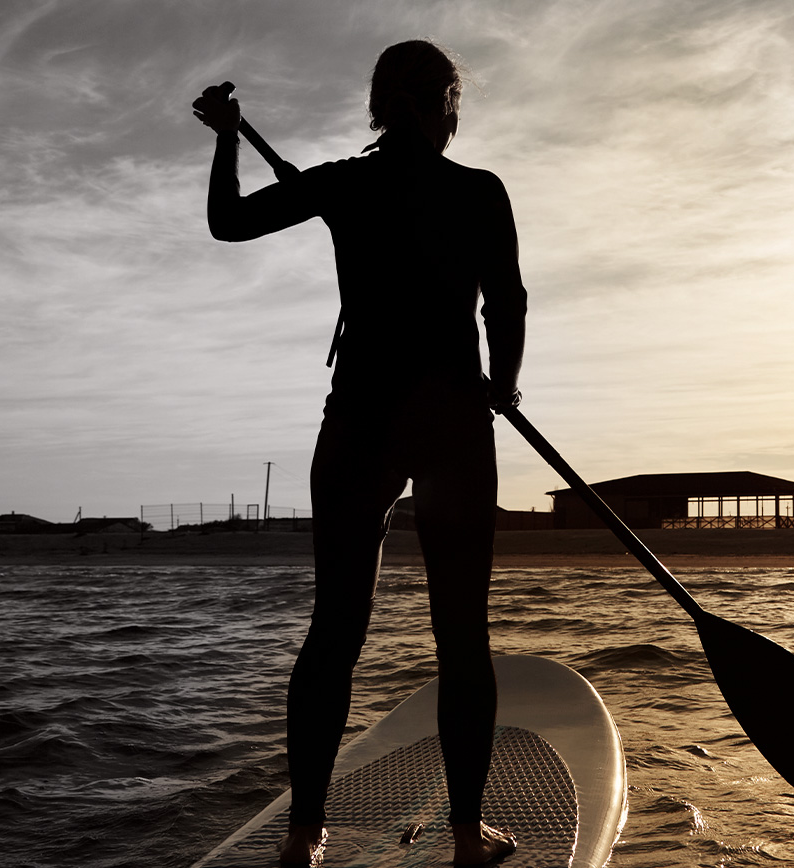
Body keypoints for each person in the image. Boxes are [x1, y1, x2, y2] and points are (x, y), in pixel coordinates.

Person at [191, 39, 524, 868]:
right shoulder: (479, 191)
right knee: (463, 640)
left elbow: (229, 222)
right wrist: (503, 384)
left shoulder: (344, 183)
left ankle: (304, 836)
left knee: (333, 634)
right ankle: (467, 837)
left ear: (378, 108)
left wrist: (228, 139)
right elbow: (506, 304)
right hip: (453, 425)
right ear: (447, 107)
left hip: (358, 426)